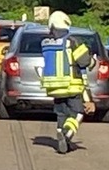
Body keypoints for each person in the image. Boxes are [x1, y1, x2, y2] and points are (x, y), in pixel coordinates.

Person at [39, 11, 95, 154]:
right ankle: (67, 133)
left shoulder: (46, 43)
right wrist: (92, 60)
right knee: (78, 113)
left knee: (61, 114)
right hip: (72, 85)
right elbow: (84, 61)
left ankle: (60, 133)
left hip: (55, 88)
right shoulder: (72, 41)